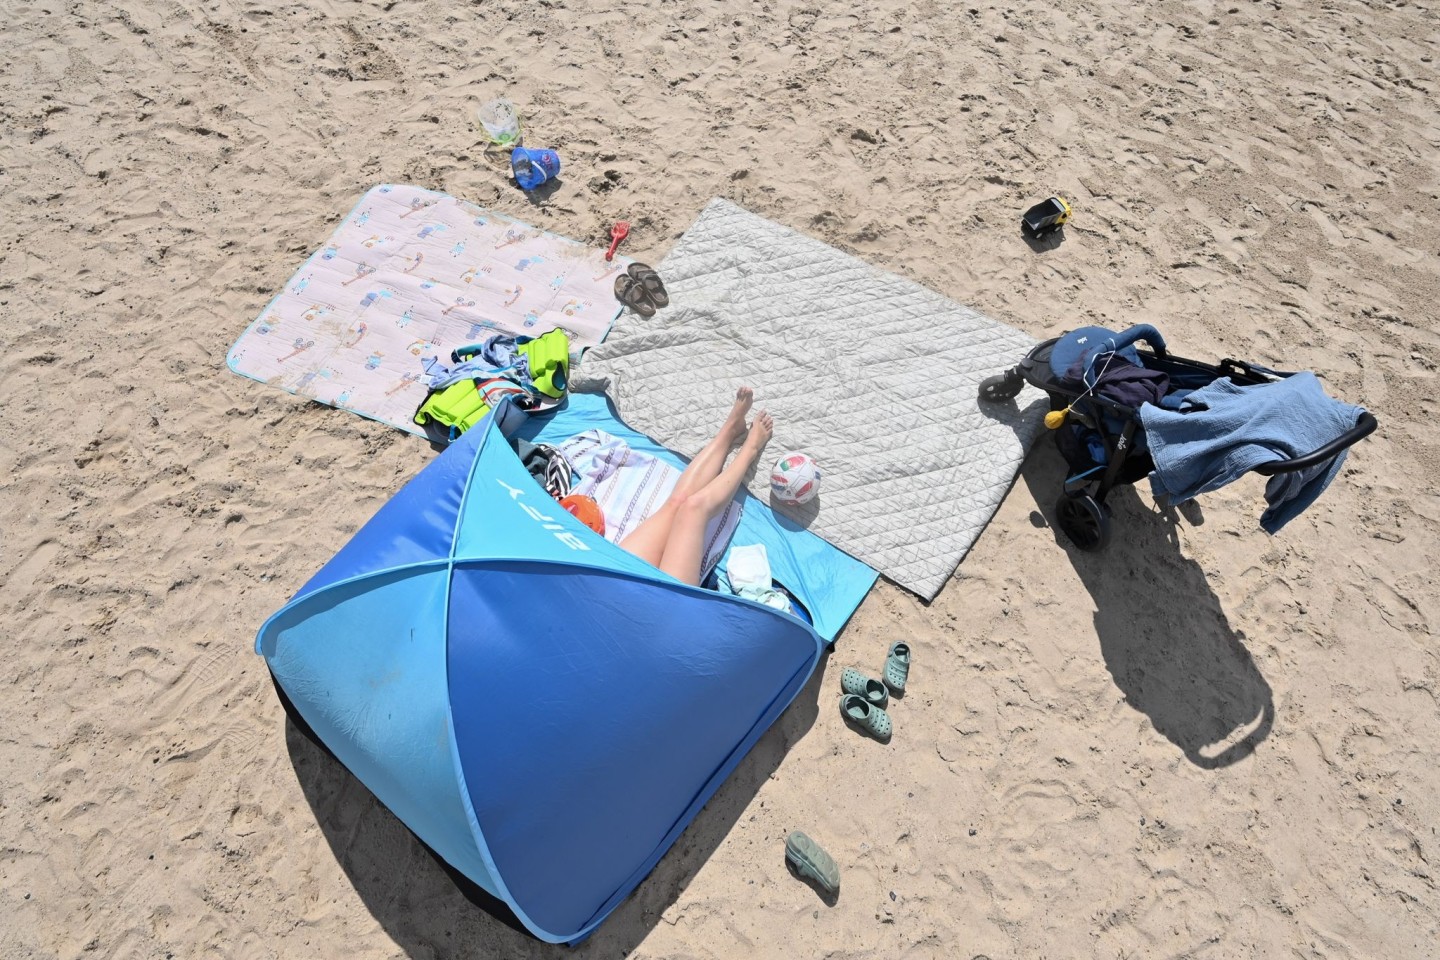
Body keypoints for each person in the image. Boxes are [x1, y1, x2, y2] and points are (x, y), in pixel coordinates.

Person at [618, 387, 773, 586]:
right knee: (694, 508)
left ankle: (730, 430)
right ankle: (749, 449)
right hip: (663, 606)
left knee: (677, 503)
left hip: (607, 586)